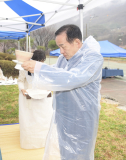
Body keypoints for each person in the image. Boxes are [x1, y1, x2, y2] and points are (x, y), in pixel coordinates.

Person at [22, 25, 103, 160]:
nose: (60, 51)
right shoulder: (63, 59)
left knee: (79, 154)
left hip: (82, 118)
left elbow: (72, 78)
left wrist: (39, 68)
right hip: (63, 116)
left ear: (77, 42)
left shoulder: (92, 58)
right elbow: (54, 77)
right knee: (64, 153)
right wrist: (32, 70)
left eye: (63, 46)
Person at [17, 50, 53, 149]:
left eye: (41, 61)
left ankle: (43, 141)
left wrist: (49, 86)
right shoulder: (24, 68)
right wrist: (22, 89)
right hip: (28, 96)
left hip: (43, 97)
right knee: (29, 120)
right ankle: (30, 142)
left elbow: (50, 80)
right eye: (38, 61)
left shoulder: (46, 68)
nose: (40, 63)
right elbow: (20, 81)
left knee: (43, 119)